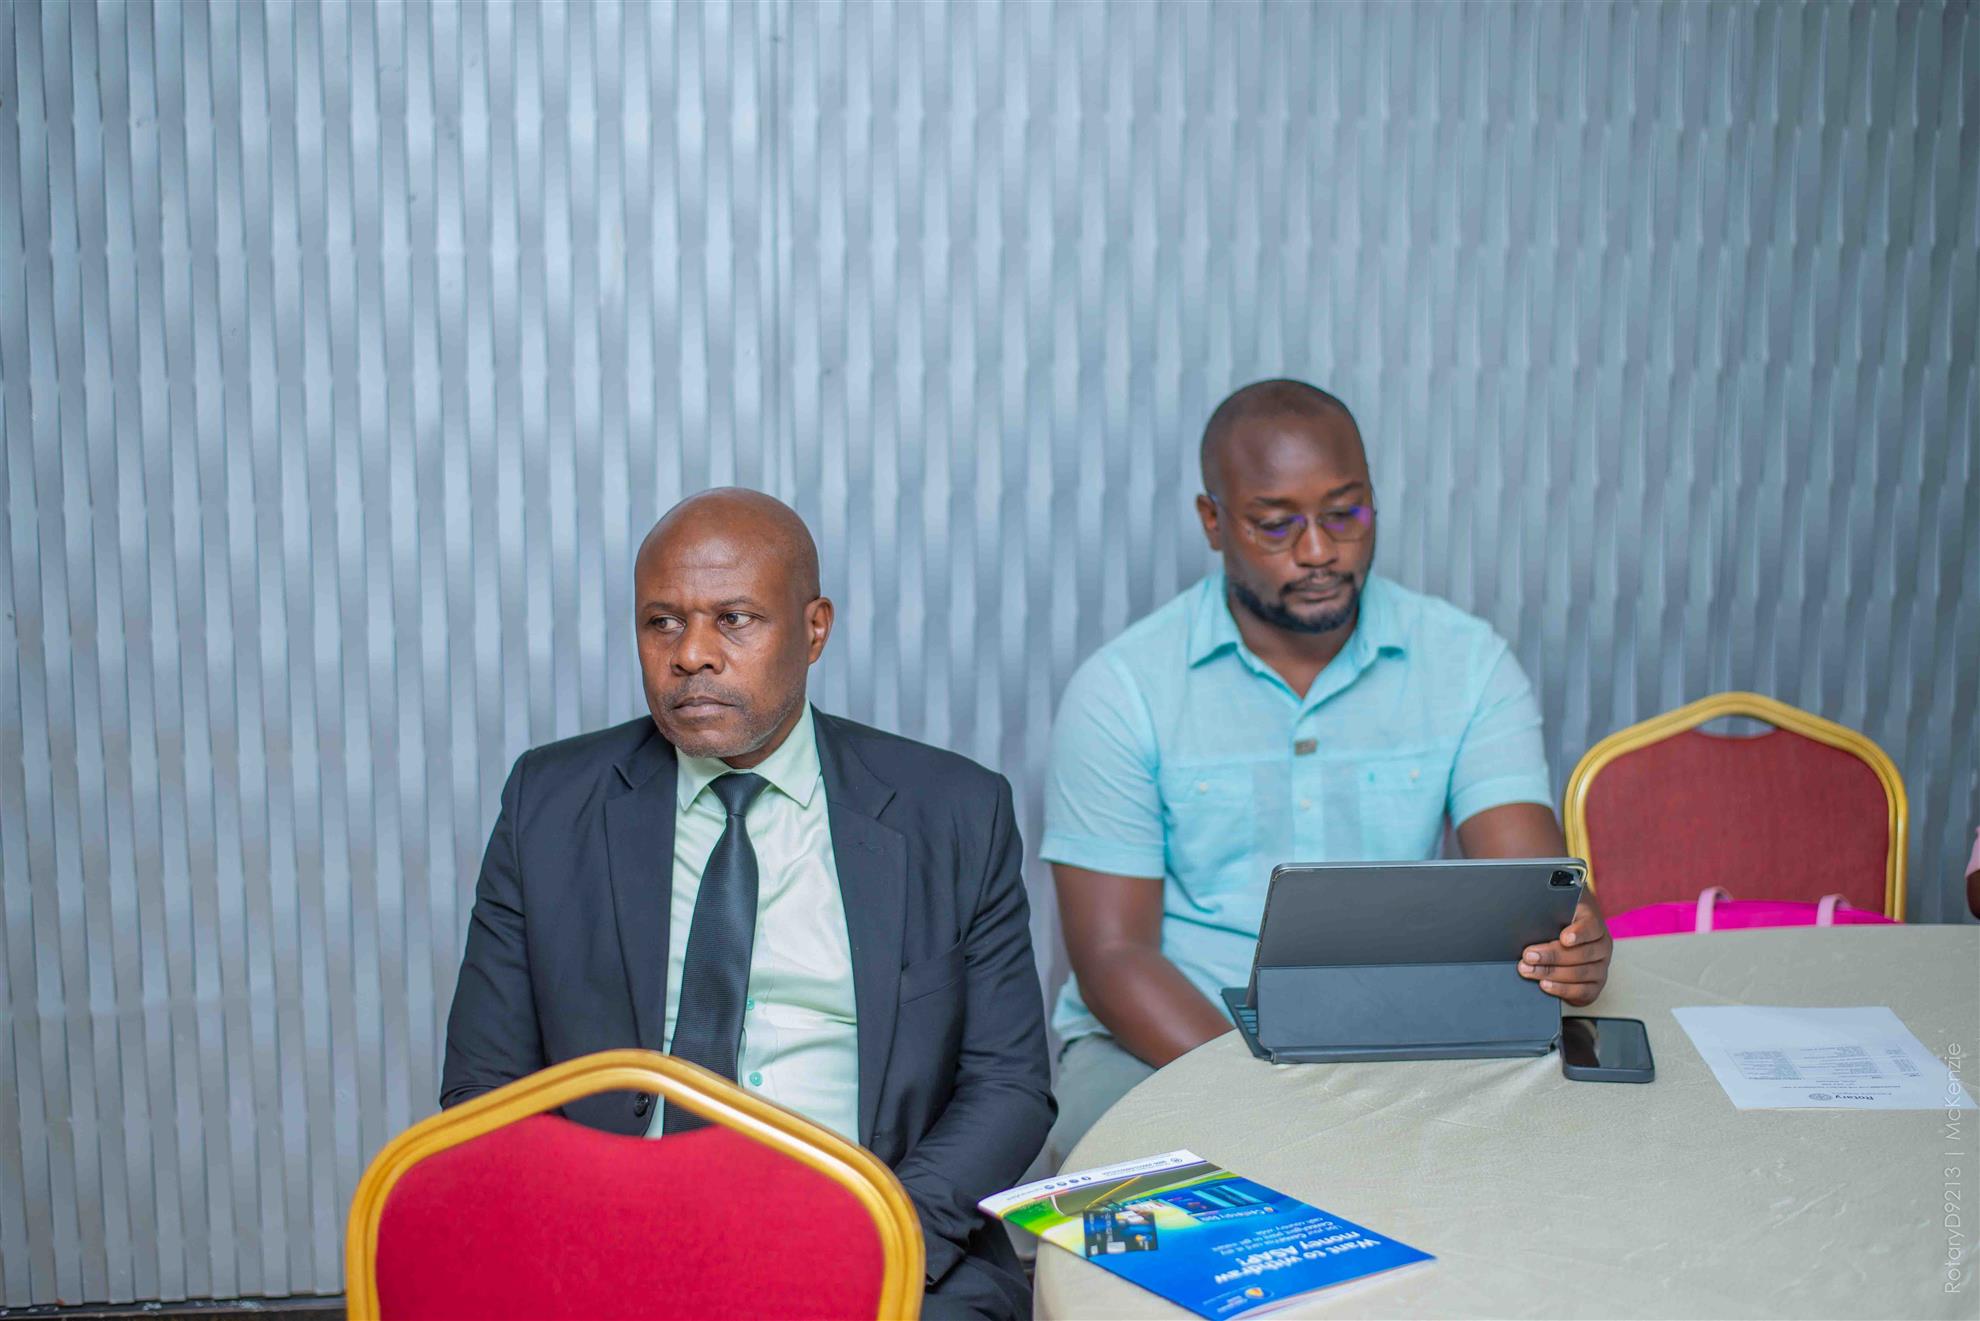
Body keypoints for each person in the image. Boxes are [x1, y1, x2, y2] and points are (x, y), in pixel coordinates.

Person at [441, 489, 1053, 1319]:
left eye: (734, 620)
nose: (691, 654)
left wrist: (880, 1237)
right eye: (662, 622)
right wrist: (587, 1237)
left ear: (814, 629)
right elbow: (484, 1087)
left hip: (876, 1225)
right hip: (611, 1233)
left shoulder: (951, 811)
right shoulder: (549, 803)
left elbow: (1008, 1084)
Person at [1039, 380, 1610, 1169]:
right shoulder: (1122, 689)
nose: (1318, 552)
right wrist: (1274, 1089)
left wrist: (1572, 938)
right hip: (1168, 1038)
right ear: (1213, 521)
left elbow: (1533, 889)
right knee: (1129, 1202)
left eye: (1345, 514)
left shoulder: (1467, 662)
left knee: (1555, 1176)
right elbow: (1112, 958)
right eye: (1276, 524)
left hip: (1401, 1029)